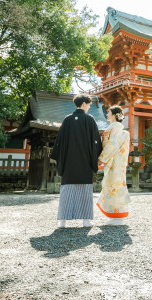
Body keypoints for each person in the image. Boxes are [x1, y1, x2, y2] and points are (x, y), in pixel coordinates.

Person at [49, 94, 103, 228]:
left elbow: (59, 142)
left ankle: (62, 221)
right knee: (85, 190)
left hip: (68, 163)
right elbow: (96, 141)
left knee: (67, 190)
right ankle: (86, 220)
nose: (89, 107)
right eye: (89, 104)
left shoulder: (67, 120)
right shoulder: (89, 120)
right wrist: (96, 156)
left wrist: (59, 157)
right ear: (84, 103)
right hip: (85, 162)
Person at [96, 105, 130, 225]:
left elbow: (112, 144)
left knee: (115, 185)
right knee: (113, 185)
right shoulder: (115, 128)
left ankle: (118, 216)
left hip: (115, 162)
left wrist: (101, 158)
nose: (107, 114)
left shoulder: (116, 129)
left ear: (115, 115)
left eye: (109, 112)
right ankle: (115, 215)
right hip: (115, 162)